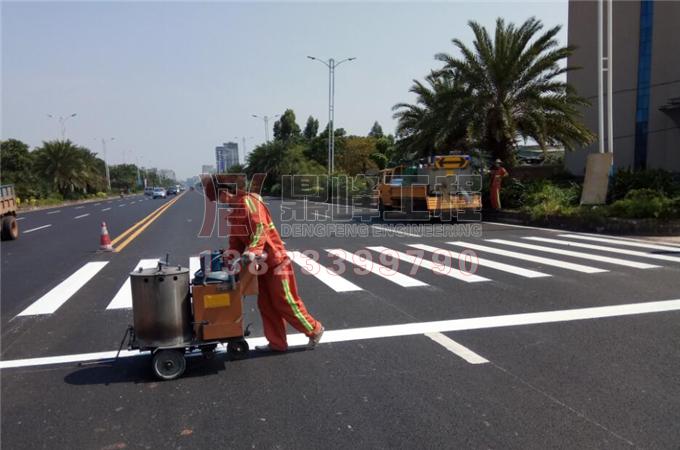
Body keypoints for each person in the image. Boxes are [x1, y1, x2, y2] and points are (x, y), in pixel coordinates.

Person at [202, 174, 324, 352]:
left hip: (276, 261)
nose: (222, 202)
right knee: (266, 305)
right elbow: (235, 241)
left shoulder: (249, 201)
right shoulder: (234, 213)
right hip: (260, 266)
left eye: (220, 197)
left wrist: (253, 251)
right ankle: (277, 343)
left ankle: (315, 329)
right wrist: (228, 258)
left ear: (226, 191)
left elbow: (260, 228)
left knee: (286, 301)